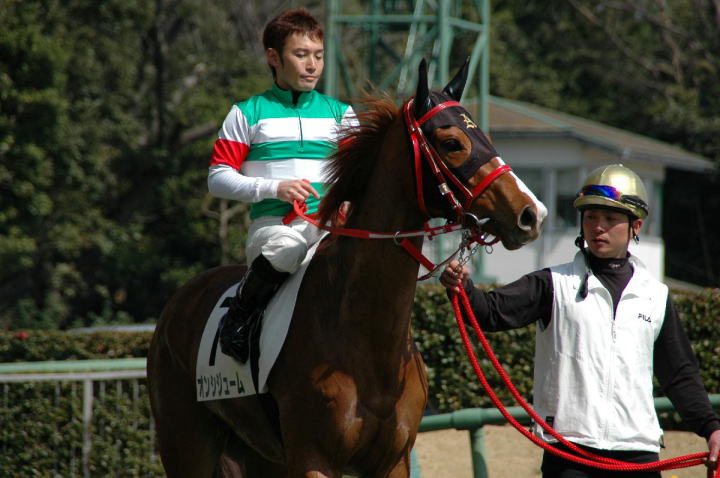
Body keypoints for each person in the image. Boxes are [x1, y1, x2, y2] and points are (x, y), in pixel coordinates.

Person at [440, 164, 720, 477]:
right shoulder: (551, 283)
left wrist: (711, 428)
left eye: (610, 219)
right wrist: (462, 287)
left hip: (638, 451)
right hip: (569, 453)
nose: (598, 227)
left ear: (636, 226)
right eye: (590, 217)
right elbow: (490, 312)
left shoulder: (656, 296)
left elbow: (679, 373)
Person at [208, 9, 357, 363]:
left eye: (318, 55)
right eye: (301, 54)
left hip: (332, 231)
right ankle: (238, 317)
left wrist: (351, 199)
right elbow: (217, 178)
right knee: (289, 247)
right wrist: (274, 188)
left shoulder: (343, 114)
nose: (312, 65)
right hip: (274, 229)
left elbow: (359, 177)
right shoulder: (247, 112)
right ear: (273, 57)